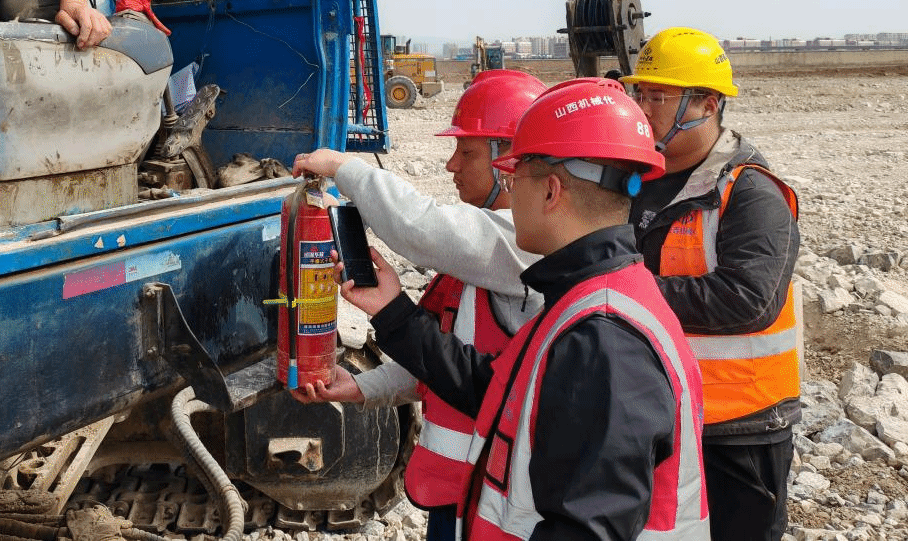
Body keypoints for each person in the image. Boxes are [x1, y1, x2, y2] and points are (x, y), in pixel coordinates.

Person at [341, 78, 709, 540]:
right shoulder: (586, 298)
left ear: (551, 191)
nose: (511, 198)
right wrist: (393, 312)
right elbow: (496, 388)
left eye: (517, 179)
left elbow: (588, 528)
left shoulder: (605, 336)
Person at [291, 70, 547, 541]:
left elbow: (422, 229)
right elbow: (450, 358)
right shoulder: (481, 257)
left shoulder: (523, 245)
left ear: (508, 160)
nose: (451, 165)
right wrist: (363, 387)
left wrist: (345, 167)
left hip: (506, 502)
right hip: (463, 489)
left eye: (465, 152)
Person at [620, 28, 800, 541]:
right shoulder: (633, 180)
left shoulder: (750, 193)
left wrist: (625, 294)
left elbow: (749, 300)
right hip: (657, 416)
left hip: (738, 429)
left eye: (659, 96)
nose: (643, 107)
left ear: (706, 103)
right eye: (641, 93)